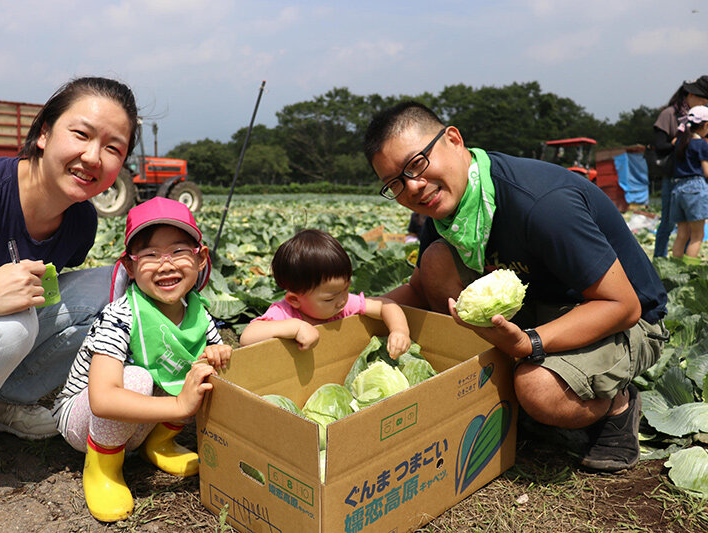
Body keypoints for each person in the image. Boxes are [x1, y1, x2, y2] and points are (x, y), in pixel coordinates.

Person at [364, 101, 668, 473]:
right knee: (435, 261)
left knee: (538, 391)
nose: (412, 186)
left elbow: (624, 306)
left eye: (417, 163)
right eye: (395, 183)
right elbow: (417, 289)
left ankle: (618, 404)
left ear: (454, 139)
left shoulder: (541, 204)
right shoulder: (448, 208)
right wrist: (350, 314)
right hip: (538, 305)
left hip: (620, 318)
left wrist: (530, 343)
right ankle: (504, 382)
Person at [0, 76, 139, 516]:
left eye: (113, 148)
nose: (93, 156)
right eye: (82, 134)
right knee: (9, 320)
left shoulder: (79, 223)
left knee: (113, 288)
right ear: (44, 133)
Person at [52, 197, 230, 522]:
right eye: (150, 255)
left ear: (201, 258)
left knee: (205, 371)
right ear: (131, 268)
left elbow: (213, 360)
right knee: (136, 379)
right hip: (86, 419)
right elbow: (103, 400)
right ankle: (103, 469)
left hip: (141, 421)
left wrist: (217, 355)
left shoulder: (199, 314)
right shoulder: (120, 316)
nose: (166, 265)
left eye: (178, 251)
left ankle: (159, 444)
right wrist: (179, 407)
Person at [239, 229, 411, 358]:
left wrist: (399, 331)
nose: (341, 301)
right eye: (329, 298)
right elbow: (247, 338)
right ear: (294, 299)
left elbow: (385, 306)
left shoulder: (345, 304)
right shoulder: (284, 313)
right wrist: (296, 327)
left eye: (346, 289)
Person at [652, 75, 708, 257]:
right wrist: (677, 143)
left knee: (686, 230)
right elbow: (658, 145)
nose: (704, 103)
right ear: (690, 95)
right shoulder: (669, 114)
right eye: (703, 99)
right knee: (668, 224)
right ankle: (659, 259)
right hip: (673, 175)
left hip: (684, 178)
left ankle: (678, 263)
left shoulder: (697, 119)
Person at [670, 105, 708, 264]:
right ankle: (689, 274)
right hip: (695, 188)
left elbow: (673, 140)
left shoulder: (679, 143)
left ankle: (674, 273)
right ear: (706, 125)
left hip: (678, 189)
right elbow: (707, 172)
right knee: (697, 236)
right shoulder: (702, 145)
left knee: (682, 235)